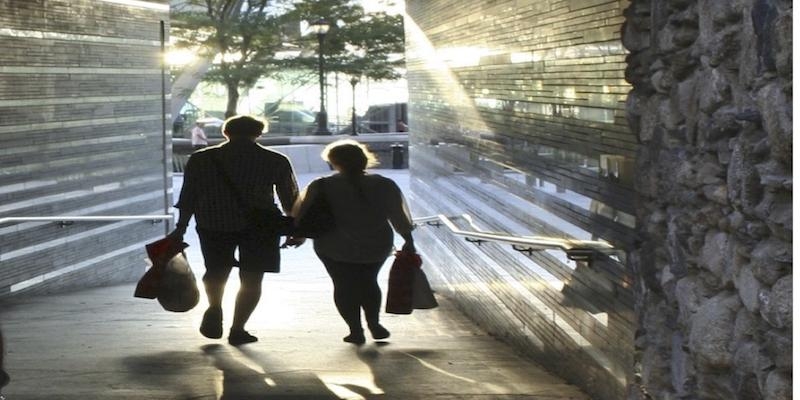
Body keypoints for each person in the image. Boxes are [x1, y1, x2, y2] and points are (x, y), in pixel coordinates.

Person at [169, 115, 305, 346]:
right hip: (261, 227)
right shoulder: (275, 160)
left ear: (226, 133)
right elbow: (290, 199)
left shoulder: (202, 159)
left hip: (214, 224)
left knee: (216, 271)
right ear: (259, 133)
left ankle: (214, 307)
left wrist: (180, 228)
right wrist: (297, 229)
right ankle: (238, 328)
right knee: (252, 278)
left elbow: (189, 197)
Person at [293, 139, 415, 345]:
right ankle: (374, 323)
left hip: (332, 244)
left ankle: (355, 330)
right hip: (375, 243)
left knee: (343, 285)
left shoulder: (321, 185)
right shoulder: (385, 185)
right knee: (369, 282)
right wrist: (408, 240)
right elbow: (398, 216)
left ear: (333, 162)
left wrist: (298, 236)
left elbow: (303, 215)